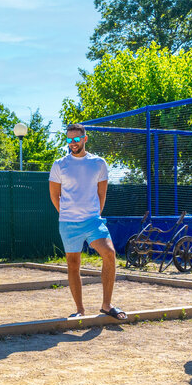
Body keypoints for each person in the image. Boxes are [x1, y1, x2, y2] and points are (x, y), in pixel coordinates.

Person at [48, 124, 126, 320]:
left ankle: (107, 305)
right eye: (69, 139)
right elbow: (54, 196)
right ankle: (80, 310)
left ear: (85, 139)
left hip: (93, 220)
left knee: (109, 253)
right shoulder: (59, 164)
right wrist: (67, 214)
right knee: (73, 265)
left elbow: (102, 193)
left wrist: (94, 214)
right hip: (68, 223)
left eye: (76, 139)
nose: (73, 143)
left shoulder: (98, 163)